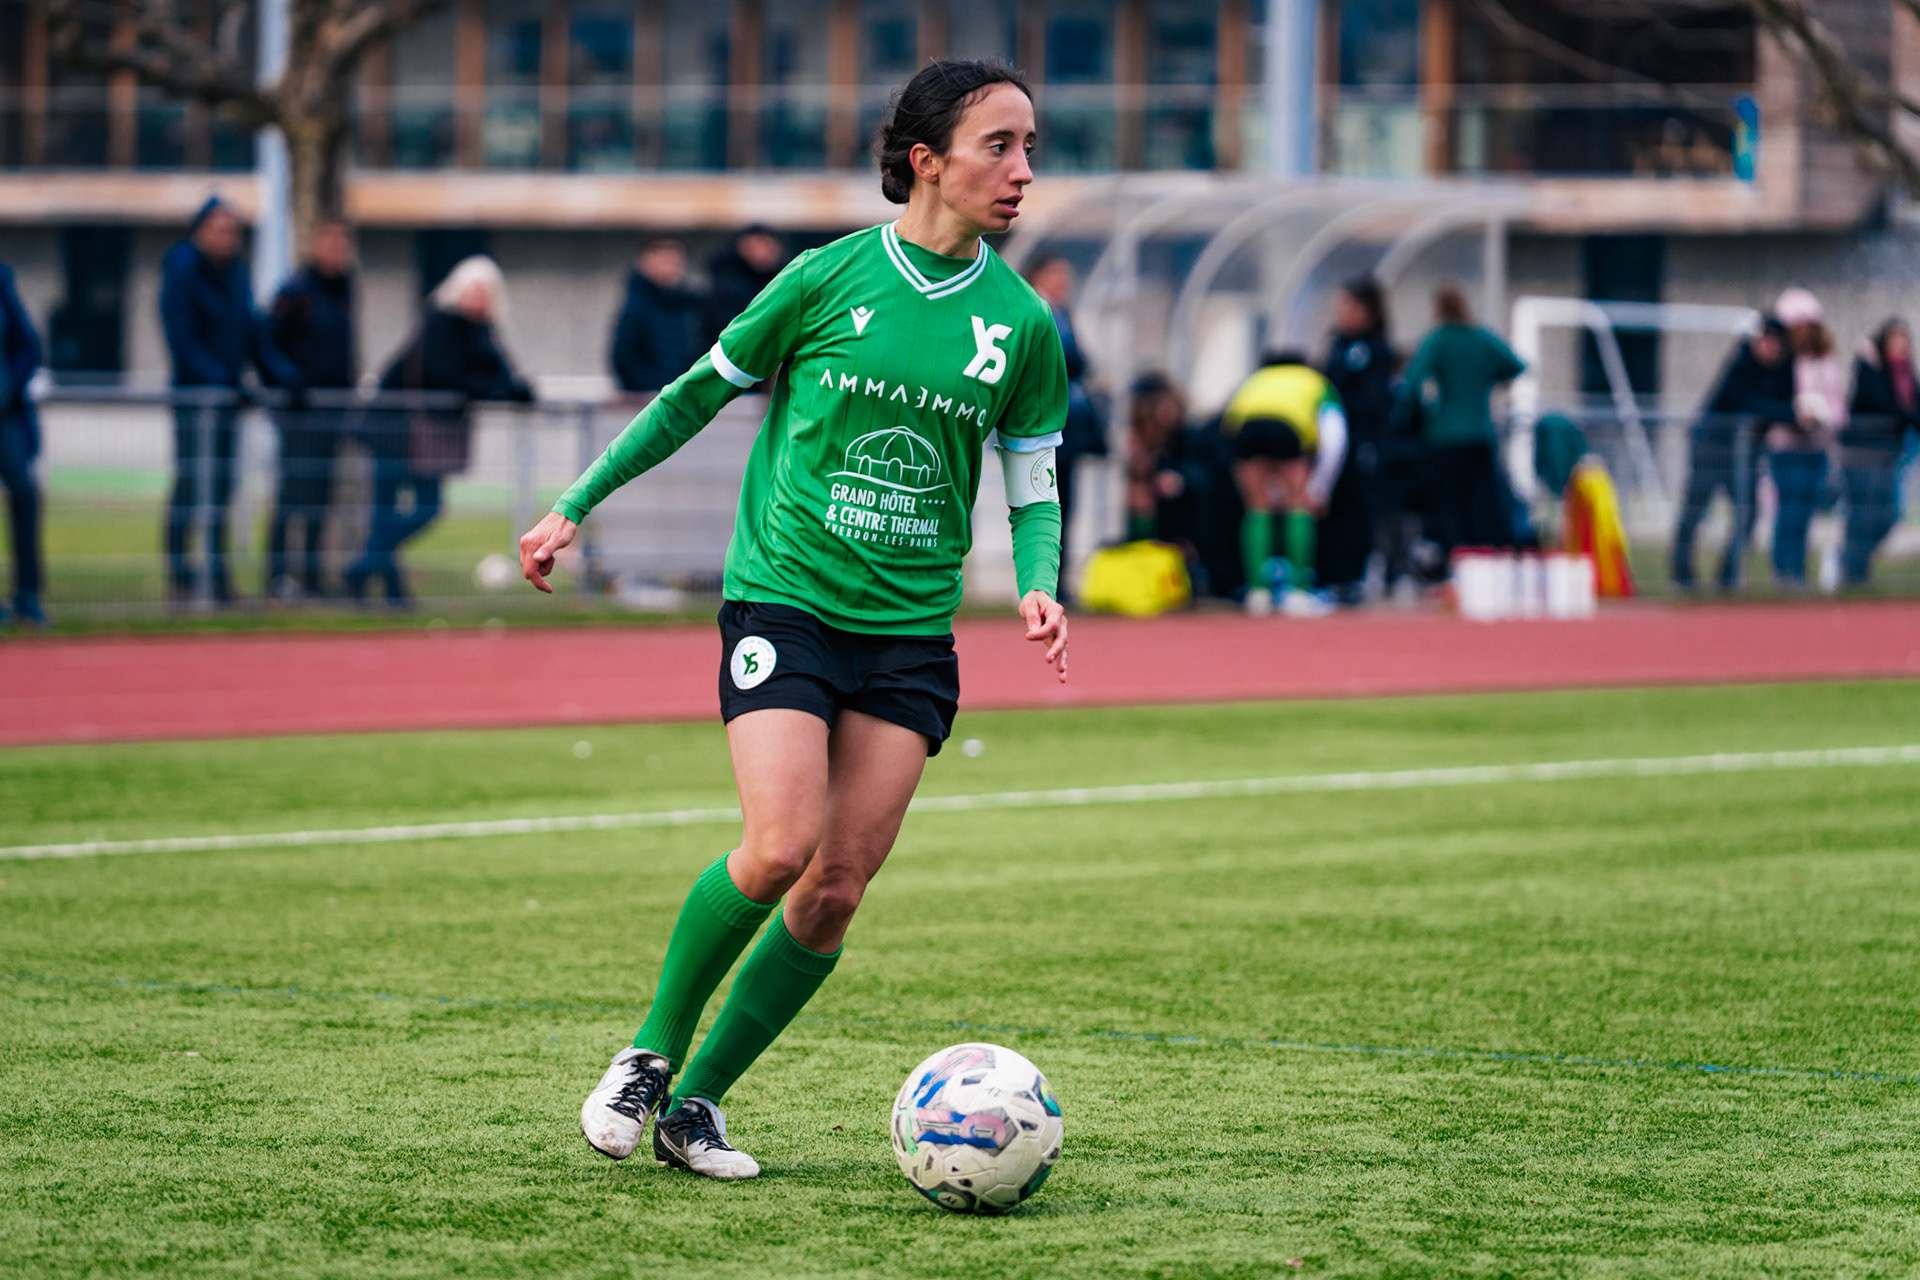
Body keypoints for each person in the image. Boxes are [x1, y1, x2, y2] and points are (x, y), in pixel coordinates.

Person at [520, 59, 1067, 1181]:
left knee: (836, 889)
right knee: (778, 847)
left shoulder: (1023, 325)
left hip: (911, 633)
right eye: (999, 145)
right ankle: (648, 1054)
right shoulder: (824, 279)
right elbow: (694, 394)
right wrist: (576, 503)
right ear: (928, 161)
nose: (1022, 170)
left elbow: (1034, 480)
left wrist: (1038, 579)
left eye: (1029, 148)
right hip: (789, 598)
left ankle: (697, 1106)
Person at [346, 255, 531, 605]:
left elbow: (498, 373)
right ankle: (371, 576)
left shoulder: (481, 332)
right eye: (475, 290)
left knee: (414, 510)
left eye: (486, 292)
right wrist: (494, 389)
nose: (480, 298)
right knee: (408, 509)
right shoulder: (441, 322)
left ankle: (374, 579)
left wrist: (515, 390)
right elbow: (448, 375)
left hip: (417, 435)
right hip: (392, 428)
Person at [159, 196, 305, 604]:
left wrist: (284, 376)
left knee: (222, 487)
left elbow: (253, 332)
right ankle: (181, 577)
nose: (228, 237)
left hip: (227, 401)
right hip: (196, 398)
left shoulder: (235, 273)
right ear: (200, 230)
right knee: (192, 483)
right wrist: (221, 380)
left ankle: (217, 579)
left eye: (232, 230)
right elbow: (182, 337)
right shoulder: (183, 269)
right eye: (220, 229)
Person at [1395, 284, 1525, 565]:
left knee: (1450, 506)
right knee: (1482, 504)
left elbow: (1412, 382)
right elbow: (1515, 364)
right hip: (1480, 433)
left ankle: (1456, 562)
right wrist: (1488, 378)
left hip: (1444, 434)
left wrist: (1418, 413)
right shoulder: (1480, 337)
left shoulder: (1438, 339)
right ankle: (1485, 560)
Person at [265, 218, 358, 599]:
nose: (337, 251)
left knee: (321, 499)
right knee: (292, 495)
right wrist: (289, 384)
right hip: (300, 413)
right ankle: (278, 576)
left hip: (333, 411)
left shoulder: (344, 289)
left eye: (342, 244)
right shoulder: (295, 291)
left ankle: (313, 575)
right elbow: (268, 344)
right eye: (330, 242)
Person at [1219, 351, 1347, 617]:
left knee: (1257, 507)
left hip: (1247, 430)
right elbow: (1335, 436)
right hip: (1287, 428)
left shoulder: (1255, 380)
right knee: (1298, 504)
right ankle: (1298, 593)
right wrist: (1321, 486)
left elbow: (1228, 426)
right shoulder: (1315, 381)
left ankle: (1258, 593)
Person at [1671, 316, 1794, 592]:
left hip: (1745, 452)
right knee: (1695, 508)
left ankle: (1728, 575)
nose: (1769, 348)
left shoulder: (1784, 369)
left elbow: (1784, 407)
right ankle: (1682, 574)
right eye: (1765, 341)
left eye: (1775, 343)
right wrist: (1782, 411)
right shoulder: (1741, 362)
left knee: (1748, 512)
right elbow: (1746, 402)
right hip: (1711, 446)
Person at [1025, 254, 1103, 598]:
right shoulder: (1033, 308)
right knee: (1040, 499)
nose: (1063, 281)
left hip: (1069, 427)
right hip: (1041, 422)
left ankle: (1056, 580)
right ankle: (1039, 581)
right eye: (1056, 273)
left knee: (1064, 503)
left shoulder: (1064, 313)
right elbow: (1065, 359)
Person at [1319, 277, 1396, 602]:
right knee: (1331, 505)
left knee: (1359, 506)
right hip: (1331, 439)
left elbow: (1375, 400)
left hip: (1363, 440)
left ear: (1366, 310)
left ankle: (1355, 573)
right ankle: (1330, 573)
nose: (1341, 313)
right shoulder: (1337, 345)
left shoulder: (1376, 349)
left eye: (1347, 306)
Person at [1768, 287, 1845, 589]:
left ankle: (1799, 569)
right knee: (1789, 508)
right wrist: (1797, 415)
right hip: (1787, 445)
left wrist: (1828, 419)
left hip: (1817, 445)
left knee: (1806, 510)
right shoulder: (1783, 361)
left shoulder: (1825, 362)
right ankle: (1784, 569)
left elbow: (1837, 402)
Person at [1839, 320, 1919, 586]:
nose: (1900, 344)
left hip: (1888, 456)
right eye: (1894, 338)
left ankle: (1853, 566)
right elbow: (1886, 405)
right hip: (1861, 455)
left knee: (1888, 515)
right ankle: (1851, 574)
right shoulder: (1870, 368)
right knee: (1861, 518)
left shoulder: (1906, 373)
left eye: (1904, 338)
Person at [0, 260, 46, 626]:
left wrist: (9, 389)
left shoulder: (2, 279)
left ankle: (27, 595)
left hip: (5, 413)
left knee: (25, 493)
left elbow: (28, 343)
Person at [611, 238, 704, 394]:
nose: (669, 266)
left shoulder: (691, 303)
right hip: (651, 396)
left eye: (673, 260)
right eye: (663, 259)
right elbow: (625, 358)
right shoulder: (637, 305)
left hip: (684, 393)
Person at [701, 224, 785, 351]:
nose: (765, 251)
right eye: (759, 244)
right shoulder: (725, 287)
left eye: (769, 245)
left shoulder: (780, 281)